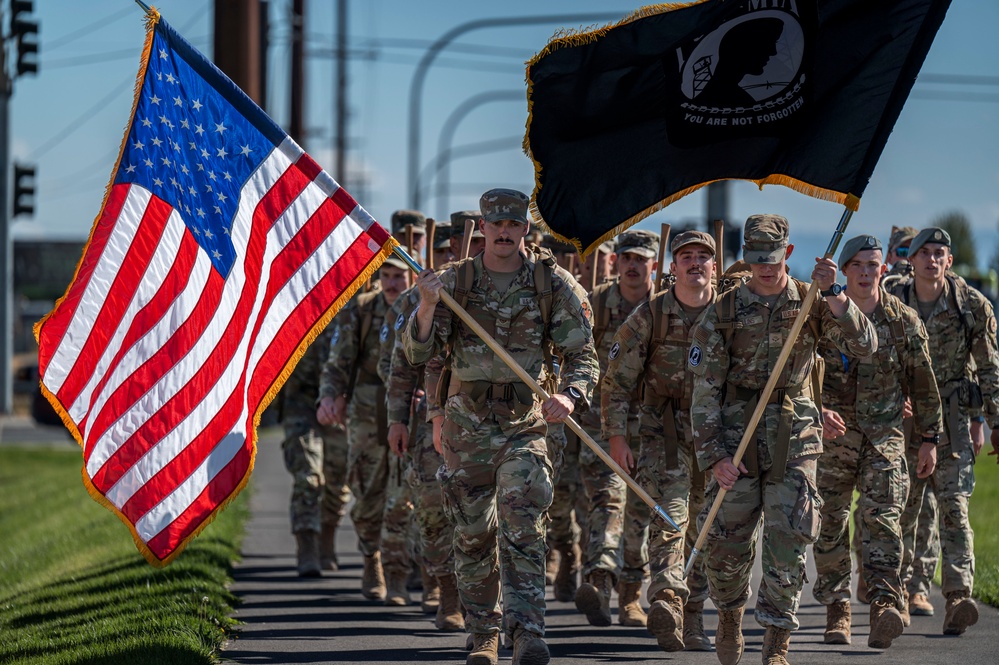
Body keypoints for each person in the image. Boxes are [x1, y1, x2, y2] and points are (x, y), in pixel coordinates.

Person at [404, 188, 599, 665]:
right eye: (497, 225)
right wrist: (427, 306)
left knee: (523, 522)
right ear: (483, 229)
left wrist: (569, 395)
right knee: (472, 534)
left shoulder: (552, 285)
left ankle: (528, 632)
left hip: (525, 426)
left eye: (515, 224)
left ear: (526, 230)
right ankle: (484, 632)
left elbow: (583, 356)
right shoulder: (454, 283)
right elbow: (418, 354)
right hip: (465, 427)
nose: (506, 232)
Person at [689, 214, 877, 665]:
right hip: (737, 436)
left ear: (788, 254)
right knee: (726, 543)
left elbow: (865, 345)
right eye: (756, 261)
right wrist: (714, 454)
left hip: (794, 434)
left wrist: (835, 293)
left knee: (790, 535)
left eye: (772, 259)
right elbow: (705, 389)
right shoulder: (725, 310)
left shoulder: (812, 301)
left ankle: (777, 640)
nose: (765, 269)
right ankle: (731, 613)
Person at [812, 234, 942, 649]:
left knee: (882, 520)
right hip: (834, 439)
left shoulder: (903, 320)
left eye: (873, 265)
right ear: (844, 271)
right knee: (830, 523)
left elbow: (924, 384)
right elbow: (794, 373)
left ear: (883, 269)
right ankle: (838, 609)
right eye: (858, 266)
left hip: (885, 436)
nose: (867, 273)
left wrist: (928, 439)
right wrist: (816, 410)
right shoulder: (819, 317)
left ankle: (885, 604)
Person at [602, 230, 718, 652]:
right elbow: (615, 383)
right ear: (672, 267)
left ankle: (694, 620)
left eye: (703, 257)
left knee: (706, 527)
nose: (695, 264)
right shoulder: (649, 316)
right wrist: (616, 436)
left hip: (718, 438)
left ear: (714, 267)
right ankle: (667, 596)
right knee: (671, 516)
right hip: (663, 435)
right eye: (686, 256)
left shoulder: (729, 313)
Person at [887, 226, 999, 636]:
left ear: (948, 261)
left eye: (940, 253)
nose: (932, 259)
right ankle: (895, 596)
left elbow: (989, 369)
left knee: (954, 509)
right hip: (903, 423)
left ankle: (957, 598)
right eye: (925, 253)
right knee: (900, 512)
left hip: (951, 423)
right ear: (911, 260)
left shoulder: (972, 306)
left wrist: (994, 421)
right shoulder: (892, 300)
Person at [571, 230, 659, 629]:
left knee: (640, 513)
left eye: (641, 259)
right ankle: (599, 582)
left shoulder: (666, 305)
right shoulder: (596, 303)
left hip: (656, 428)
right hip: (604, 424)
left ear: (652, 265)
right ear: (616, 261)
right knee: (607, 503)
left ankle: (630, 598)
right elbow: (575, 354)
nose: (633, 265)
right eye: (627, 258)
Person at [317, 252, 412, 601]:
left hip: (411, 410)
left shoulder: (422, 306)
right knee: (367, 491)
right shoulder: (361, 309)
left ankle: (399, 573)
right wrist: (330, 396)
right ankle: (371, 558)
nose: (391, 283)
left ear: (411, 278)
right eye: (385, 275)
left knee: (404, 494)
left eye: (398, 276)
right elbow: (338, 361)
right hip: (367, 411)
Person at [277, 323, 351, 577]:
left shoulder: (348, 305)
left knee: (338, 478)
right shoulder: (297, 300)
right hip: (302, 402)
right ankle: (307, 546)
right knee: (307, 475)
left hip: (338, 402)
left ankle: (326, 538)